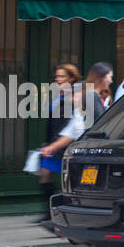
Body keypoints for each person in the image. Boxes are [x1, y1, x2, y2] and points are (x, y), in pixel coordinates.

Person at [37, 64, 81, 223]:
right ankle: (49, 212)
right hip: (54, 141)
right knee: (44, 174)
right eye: (57, 77)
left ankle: (63, 212)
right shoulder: (58, 96)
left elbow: (74, 124)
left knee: (67, 179)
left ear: (71, 78)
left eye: (62, 76)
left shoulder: (75, 96)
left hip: (65, 142)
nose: (58, 79)